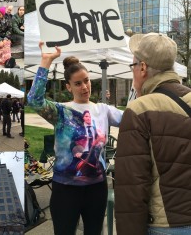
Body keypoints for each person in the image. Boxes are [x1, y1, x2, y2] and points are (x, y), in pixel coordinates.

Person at [27, 43, 123, 235]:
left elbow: (133, 118)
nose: (84, 86)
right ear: (68, 86)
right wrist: (46, 61)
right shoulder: (61, 112)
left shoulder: (102, 110)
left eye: (86, 81)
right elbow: (35, 100)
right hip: (65, 189)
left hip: (97, 188)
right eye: (78, 83)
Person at [114, 33, 191, 235]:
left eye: (133, 66)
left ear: (143, 68)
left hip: (165, 225)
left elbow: (132, 187)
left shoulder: (139, 110)